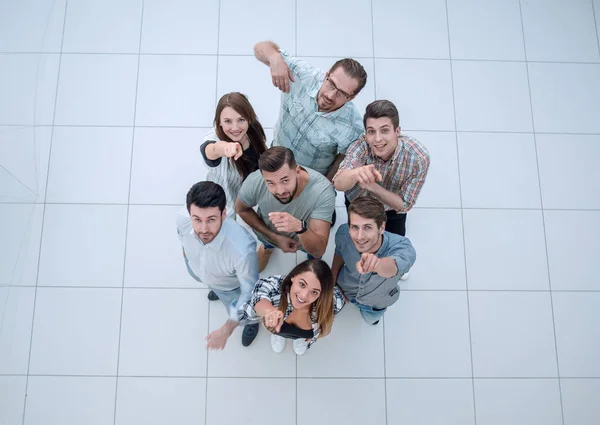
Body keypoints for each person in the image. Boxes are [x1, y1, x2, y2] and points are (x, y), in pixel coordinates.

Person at [254, 40, 367, 180]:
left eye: (342, 93)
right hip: (275, 157)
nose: (330, 96)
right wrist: (274, 58)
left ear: (352, 97)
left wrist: (326, 185)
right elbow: (259, 49)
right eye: (331, 84)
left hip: (308, 180)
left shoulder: (354, 127)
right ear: (327, 75)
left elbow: (342, 158)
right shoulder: (302, 74)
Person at [177, 181, 260, 349]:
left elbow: (248, 291)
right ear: (189, 213)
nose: (203, 229)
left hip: (230, 287)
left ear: (223, 214)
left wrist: (227, 330)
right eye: (197, 219)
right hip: (199, 271)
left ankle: (251, 322)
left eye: (211, 220)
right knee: (208, 281)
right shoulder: (182, 219)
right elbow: (182, 238)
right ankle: (213, 287)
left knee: (245, 310)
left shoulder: (242, 250)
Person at [334, 100, 430, 237]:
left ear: (397, 131)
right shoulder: (361, 146)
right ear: (366, 134)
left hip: (390, 212)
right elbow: (338, 183)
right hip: (358, 204)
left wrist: (372, 186)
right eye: (371, 131)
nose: (377, 139)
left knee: (393, 244)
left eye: (384, 130)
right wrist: (356, 173)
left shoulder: (418, 158)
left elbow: (404, 205)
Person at [235, 146, 335, 272]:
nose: (280, 191)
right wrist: (274, 237)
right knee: (264, 248)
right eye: (271, 183)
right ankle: (268, 247)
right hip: (269, 232)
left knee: (314, 257)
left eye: (285, 180)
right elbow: (241, 209)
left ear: (297, 171)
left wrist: (300, 227)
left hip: (306, 237)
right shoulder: (255, 181)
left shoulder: (322, 191)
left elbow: (319, 249)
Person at [332, 197, 416, 325]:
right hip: (345, 288)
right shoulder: (343, 233)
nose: (359, 236)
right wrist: (332, 280)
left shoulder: (403, 247)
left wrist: (378, 265)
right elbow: (339, 252)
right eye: (355, 227)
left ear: (382, 228)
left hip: (376, 303)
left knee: (371, 319)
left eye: (367, 227)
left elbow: (393, 267)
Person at [239, 259, 345, 355]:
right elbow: (258, 297)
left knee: (299, 337)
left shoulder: (332, 302)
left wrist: (314, 336)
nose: (304, 296)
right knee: (279, 332)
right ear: (293, 277)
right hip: (279, 329)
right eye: (302, 284)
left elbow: (326, 326)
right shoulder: (274, 286)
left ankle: (299, 339)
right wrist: (268, 311)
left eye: (314, 292)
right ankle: (278, 335)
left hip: (303, 335)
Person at [200, 92, 268, 219]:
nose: (235, 128)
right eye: (228, 121)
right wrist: (226, 148)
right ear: (219, 122)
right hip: (220, 207)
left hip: (248, 200)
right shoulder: (213, 138)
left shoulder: (253, 131)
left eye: (241, 120)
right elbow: (211, 150)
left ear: (249, 118)